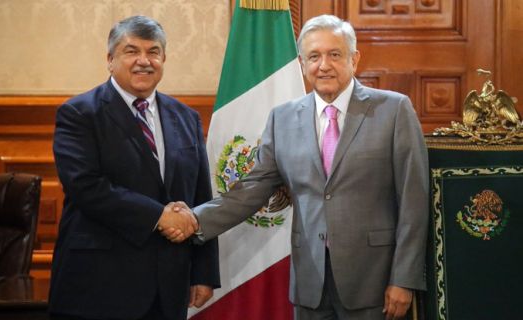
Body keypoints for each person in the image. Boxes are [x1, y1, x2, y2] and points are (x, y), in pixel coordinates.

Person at [166, 14, 429, 320]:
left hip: (375, 282)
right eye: (314, 56)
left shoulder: (394, 110)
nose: (324, 65)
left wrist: (404, 279)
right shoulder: (283, 118)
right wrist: (194, 220)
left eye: (334, 54)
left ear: (354, 59)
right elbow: (252, 190)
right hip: (310, 285)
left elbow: (414, 201)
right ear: (302, 64)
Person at [48, 15, 220, 320]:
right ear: (110, 59)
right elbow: (86, 187)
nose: (144, 61)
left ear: (164, 59)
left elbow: (200, 195)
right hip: (98, 286)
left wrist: (203, 272)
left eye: (153, 52)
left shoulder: (186, 117)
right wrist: (159, 215)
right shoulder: (79, 113)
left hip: (168, 285)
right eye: (131, 51)